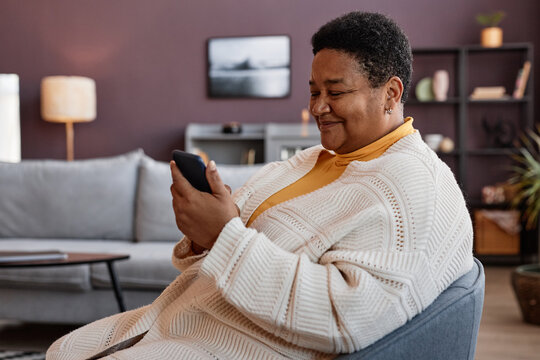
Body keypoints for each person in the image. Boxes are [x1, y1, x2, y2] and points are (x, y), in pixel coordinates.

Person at [47, 11, 473, 360]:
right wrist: (204, 237)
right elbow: (225, 249)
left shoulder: (414, 189)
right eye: (313, 90)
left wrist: (223, 235)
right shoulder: (310, 160)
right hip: (184, 319)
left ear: (391, 94)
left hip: (240, 344)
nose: (317, 108)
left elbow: (344, 318)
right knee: (62, 350)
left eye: (335, 92)